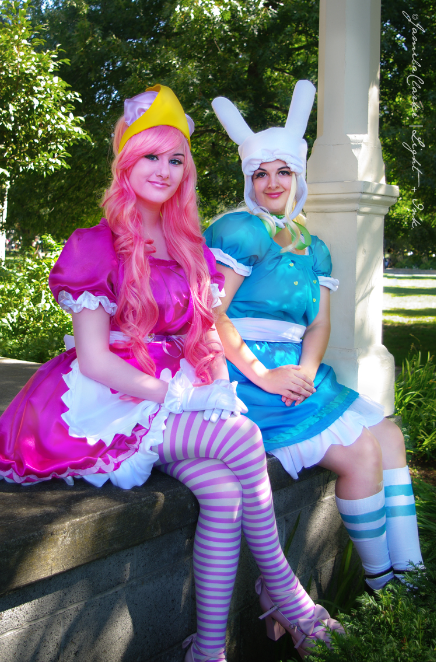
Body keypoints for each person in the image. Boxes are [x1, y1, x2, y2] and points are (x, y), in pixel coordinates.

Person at [0, 85, 343, 662]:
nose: (163, 169)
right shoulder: (94, 246)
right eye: (150, 156)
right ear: (126, 163)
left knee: (223, 494)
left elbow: (204, 334)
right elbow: (95, 360)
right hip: (106, 397)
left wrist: (215, 384)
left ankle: (208, 650)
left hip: (170, 392)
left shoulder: (191, 248)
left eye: (176, 159)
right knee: (242, 438)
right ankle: (288, 597)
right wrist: (182, 398)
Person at [204, 80, 423, 596]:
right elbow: (209, 313)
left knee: (390, 437)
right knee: (361, 453)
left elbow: (319, 324)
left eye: (283, 171)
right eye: (260, 173)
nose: (272, 182)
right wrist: (265, 375)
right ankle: (385, 589)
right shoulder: (238, 231)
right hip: (245, 372)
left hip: (297, 368)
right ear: (248, 179)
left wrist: (304, 371)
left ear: (299, 175)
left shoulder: (314, 246)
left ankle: (412, 574)